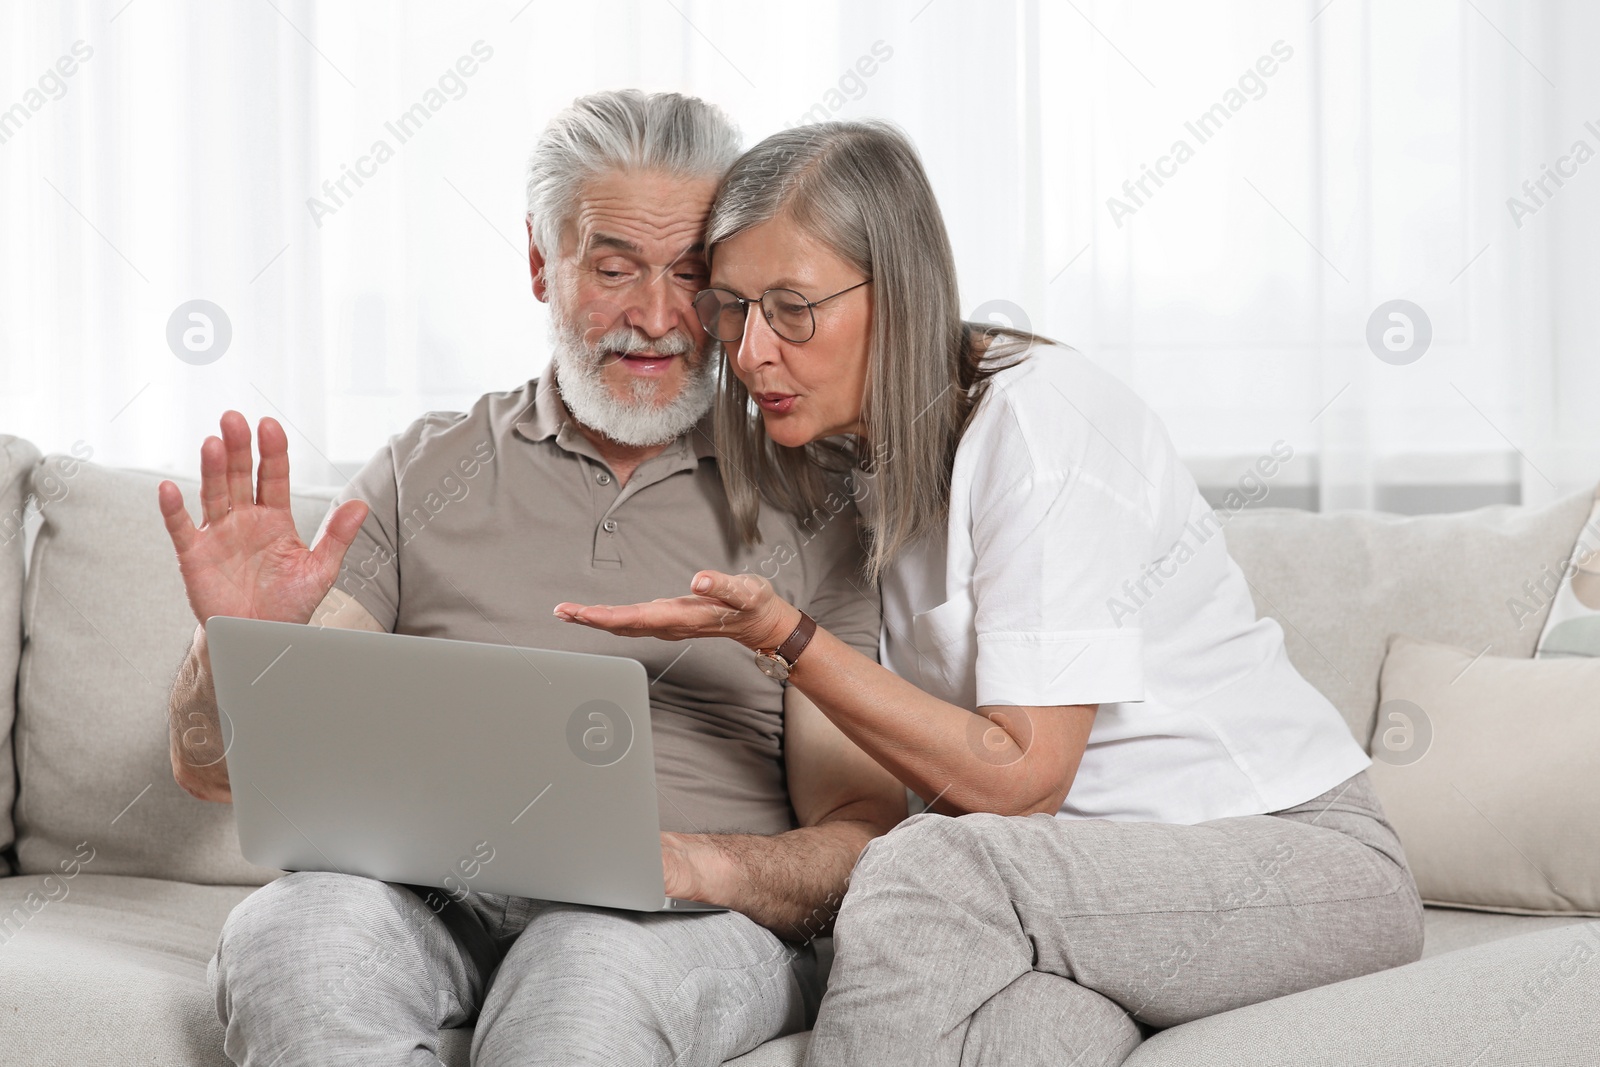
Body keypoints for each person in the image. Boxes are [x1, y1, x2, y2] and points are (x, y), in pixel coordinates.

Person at [555, 120, 1426, 1066]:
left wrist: (788, 637)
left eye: (793, 307)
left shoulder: (1040, 422)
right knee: (1018, 1038)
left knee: (928, 865)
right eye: (733, 307)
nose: (753, 350)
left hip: (1293, 860)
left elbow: (1022, 779)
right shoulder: (849, 460)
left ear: (902, 296)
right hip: (1077, 889)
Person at [156, 92, 906, 1067]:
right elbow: (215, 771)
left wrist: (695, 863)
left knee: (580, 973)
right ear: (538, 262)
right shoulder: (426, 465)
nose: (654, 315)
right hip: (422, 895)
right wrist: (236, 649)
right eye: (612, 267)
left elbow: (860, 831)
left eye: (689, 273)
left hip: (672, 918)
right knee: (293, 938)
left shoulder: (819, 498)